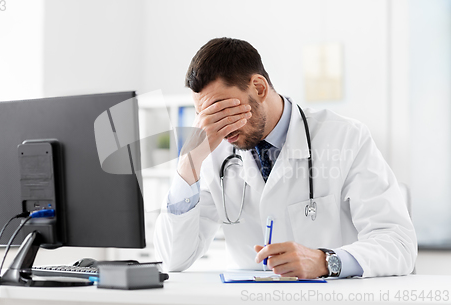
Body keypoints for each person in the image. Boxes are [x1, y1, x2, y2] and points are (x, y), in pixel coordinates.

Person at [154, 37, 417, 279]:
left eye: (224, 110)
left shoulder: (345, 137)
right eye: (206, 116)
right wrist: (188, 164)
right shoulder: (210, 155)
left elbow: (399, 245)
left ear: (258, 87)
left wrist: (326, 261)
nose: (218, 127)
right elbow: (174, 259)